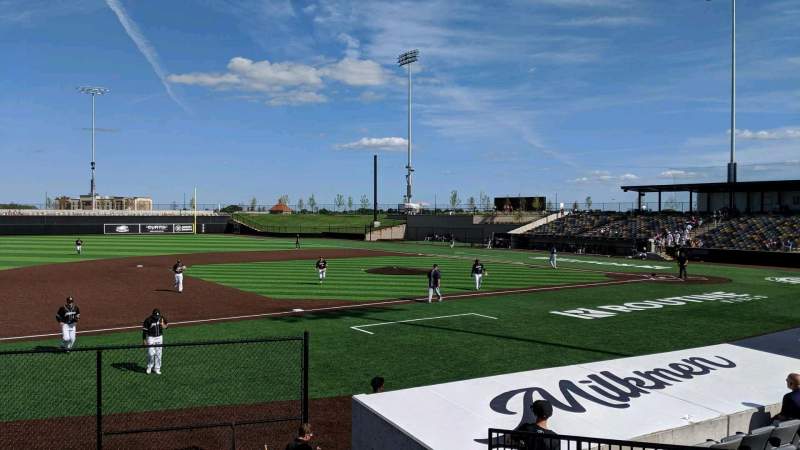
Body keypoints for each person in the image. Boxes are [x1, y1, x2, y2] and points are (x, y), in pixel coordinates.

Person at [143, 309, 168, 375]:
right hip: (151, 337)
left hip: (159, 337)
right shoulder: (148, 320)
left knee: (159, 353)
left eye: (158, 316)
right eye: (155, 317)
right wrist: (144, 340)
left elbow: (166, 326)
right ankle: (149, 367)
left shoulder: (162, 318)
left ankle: (157, 368)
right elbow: (144, 331)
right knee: (151, 353)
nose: (157, 318)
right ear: (152, 315)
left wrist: (164, 326)